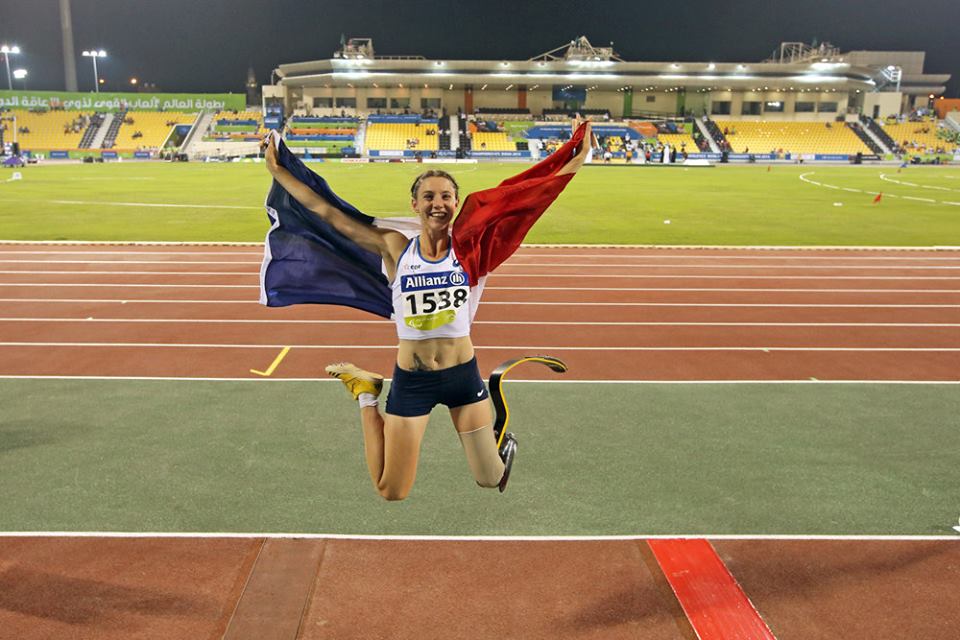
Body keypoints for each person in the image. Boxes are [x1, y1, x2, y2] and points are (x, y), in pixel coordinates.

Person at [261, 119, 592, 501]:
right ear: (415, 204)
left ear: (456, 203)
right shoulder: (394, 247)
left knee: (491, 479)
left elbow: (531, 200)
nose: (439, 204)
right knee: (391, 490)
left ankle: (498, 434)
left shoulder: (469, 250)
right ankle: (366, 393)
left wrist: (577, 157)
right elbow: (328, 214)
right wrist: (278, 169)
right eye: (430, 197)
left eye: (447, 196)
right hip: (412, 381)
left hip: (463, 378)